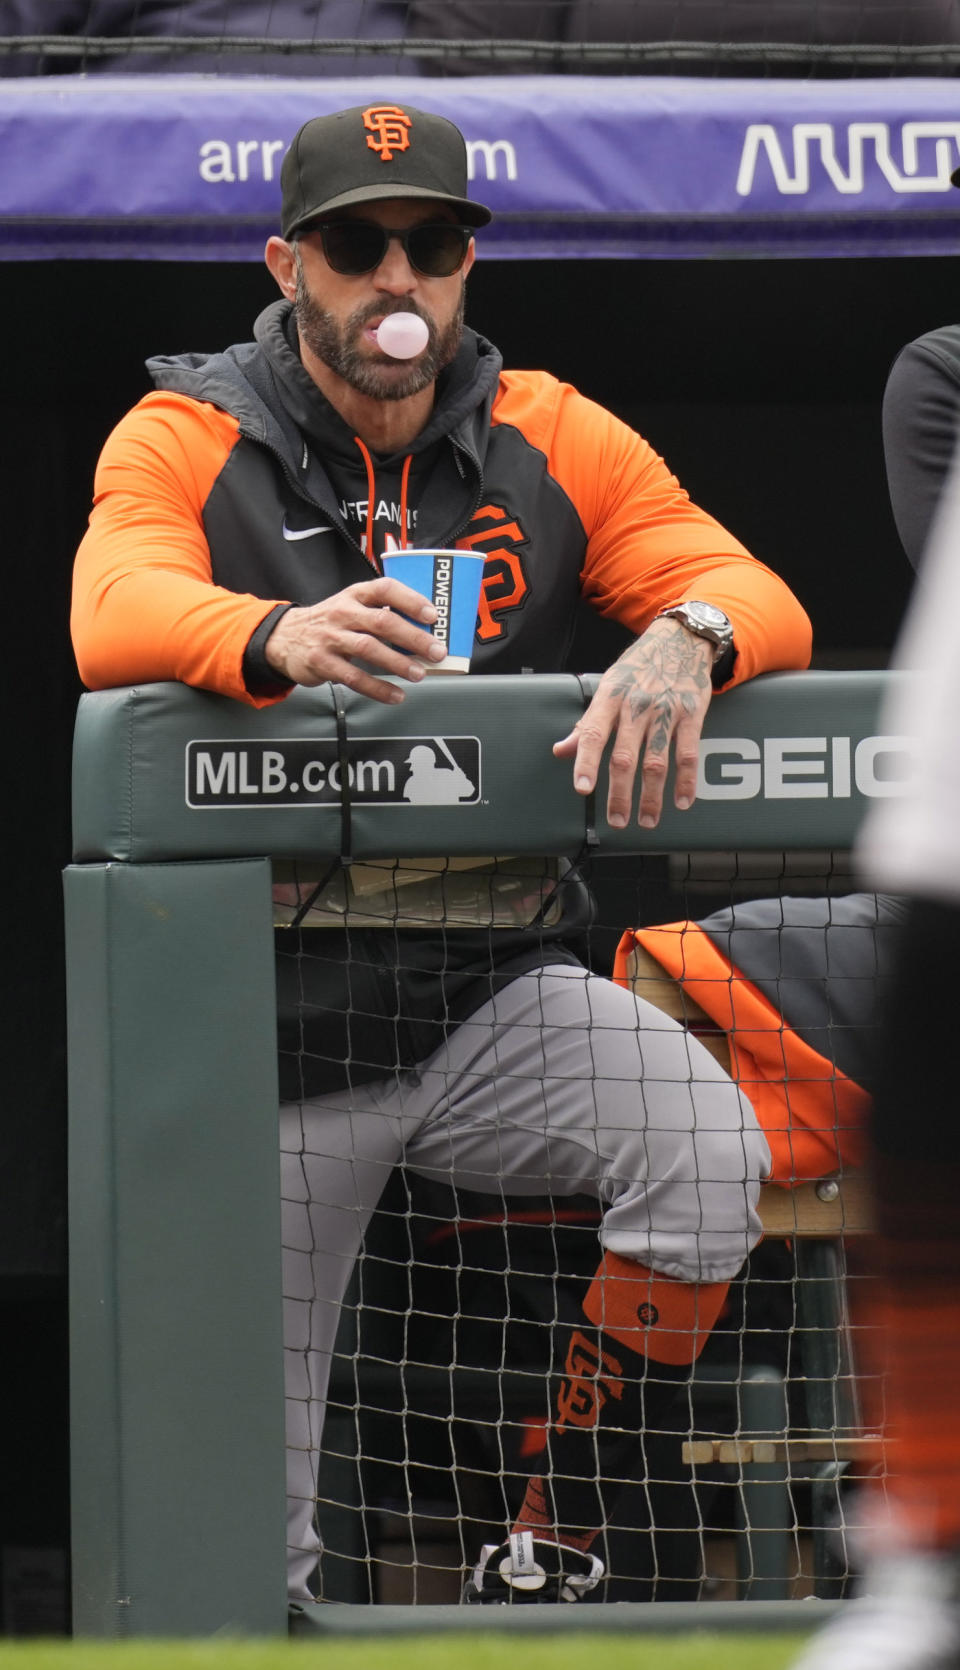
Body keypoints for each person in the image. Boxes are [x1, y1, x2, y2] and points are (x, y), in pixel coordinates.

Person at [70, 100, 811, 1606]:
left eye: (433, 245)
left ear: (468, 267)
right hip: (270, 1031)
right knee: (248, 1514)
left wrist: (691, 631)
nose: (397, 280)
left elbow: (750, 583)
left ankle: (553, 1534)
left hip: (485, 991)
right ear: (290, 263)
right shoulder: (193, 427)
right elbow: (110, 610)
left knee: (706, 1144)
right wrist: (270, 633)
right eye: (358, 245)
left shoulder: (552, 425)